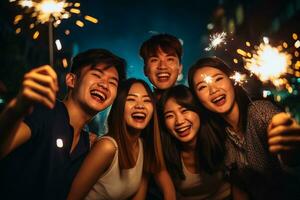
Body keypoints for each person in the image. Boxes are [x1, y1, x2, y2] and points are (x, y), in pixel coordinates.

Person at [0, 49, 126, 200]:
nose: (104, 85)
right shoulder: (45, 110)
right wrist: (17, 108)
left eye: (112, 82)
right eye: (96, 75)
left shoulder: (87, 144)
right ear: (71, 80)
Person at [188, 57, 300, 199]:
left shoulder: (259, 111)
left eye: (218, 79)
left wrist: (290, 147)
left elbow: (289, 154)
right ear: (198, 99)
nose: (213, 89)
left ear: (232, 80)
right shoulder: (218, 137)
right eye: (202, 87)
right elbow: (239, 185)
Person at [67, 78, 165, 200]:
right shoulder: (107, 147)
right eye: (131, 99)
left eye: (146, 100)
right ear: (119, 107)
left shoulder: (143, 146)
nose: (140, 106)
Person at [158, 84, 231, 199]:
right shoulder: (163, 152)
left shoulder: (221, 137)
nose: (179, 121)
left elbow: (240, 182)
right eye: (169, 116)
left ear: (198, 111)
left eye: (184, 110)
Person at [140, 33, 183, 100]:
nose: (162, 66)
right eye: (154, 60)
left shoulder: (195, 103)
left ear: (180, 68)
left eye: (170, 59)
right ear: (145, 69)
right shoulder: (141, 107)